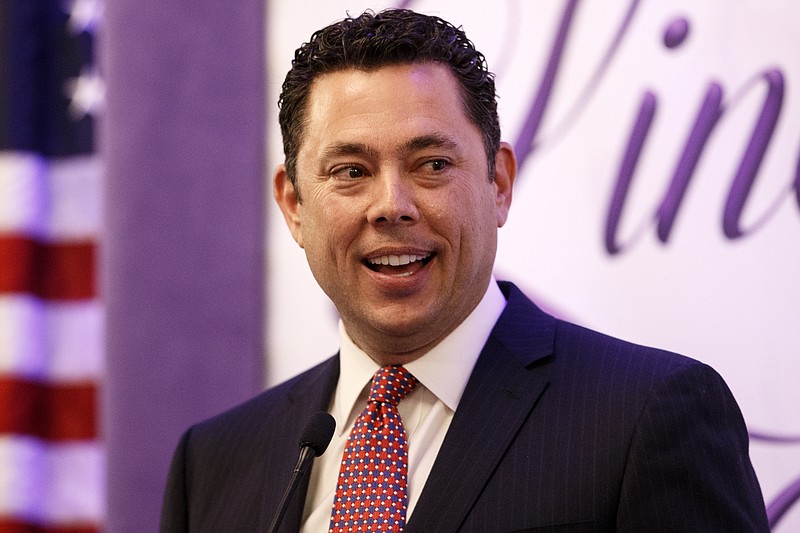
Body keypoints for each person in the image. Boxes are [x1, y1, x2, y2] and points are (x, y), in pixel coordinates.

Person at [160, 8, 769, 532]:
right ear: (295, 205)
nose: (391, 205)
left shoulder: (648, 416)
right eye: (351, 171)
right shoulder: (214, 462)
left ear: (498, 183)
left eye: (431, 164)